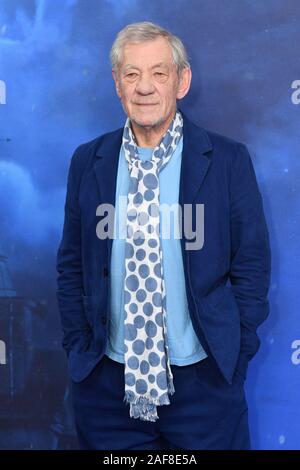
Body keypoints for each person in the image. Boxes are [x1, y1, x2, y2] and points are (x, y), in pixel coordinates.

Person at [56, 21, 271, 450]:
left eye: (159, 72)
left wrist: (234, 354)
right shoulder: (88, 161)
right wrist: (81, 349)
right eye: (132, 74)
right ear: (117, 84)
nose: (145, 87)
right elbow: (71, 264)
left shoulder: (227, 161)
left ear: (182, 81)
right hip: (108, 389)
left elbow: (251, 265)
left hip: (205, 388)